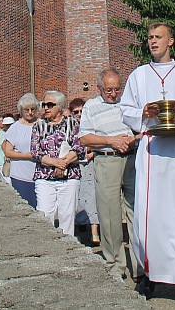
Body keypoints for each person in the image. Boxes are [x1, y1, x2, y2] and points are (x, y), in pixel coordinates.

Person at [119, 20, 175, 307]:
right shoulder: (138, 75)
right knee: (151, 213)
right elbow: (126, 110)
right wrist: (143, 112)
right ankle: (151, 275)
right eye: (150, 37)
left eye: (159, 37)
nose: (153, 41)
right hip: (152, 150)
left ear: (171, 41)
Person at [78, 69, 140, 280]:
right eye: (108, 90)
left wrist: (131, 139)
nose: (113, 94)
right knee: (109, 215)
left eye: (116, 89)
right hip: (106, 160)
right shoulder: (91, 106)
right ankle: (115, 263)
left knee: (136, 212)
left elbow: (142, 130)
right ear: (99, 88)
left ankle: (140, 266)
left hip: (131, 159)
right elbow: (84, 138)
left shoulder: (128, 104)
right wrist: (110, 141)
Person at [30, 90, 86, 236]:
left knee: (67, 215)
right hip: (45, 177)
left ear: (60, 107)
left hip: (69, 178)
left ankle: (67, 245)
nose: (46, 108)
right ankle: (46, 244)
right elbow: (35, 152)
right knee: (44, 214)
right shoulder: (38, 126)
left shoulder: (72, 123)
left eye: (50, 105)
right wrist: (55, 163)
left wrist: (64, 163)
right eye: (44, 105)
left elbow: (79, 148)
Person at [69, 99, 100, 245]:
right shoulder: (69, 128)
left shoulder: (92, 125)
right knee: (76, 199)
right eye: (76, 112)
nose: (79, 115)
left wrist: (92, 154)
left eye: (81, 111)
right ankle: (78, 230)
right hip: (74, 166)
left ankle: (95, 233)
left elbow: (98, 144)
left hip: (90, 165)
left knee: (92, 198)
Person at [3, 93, 39, 207]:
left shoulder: (41, 125)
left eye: (32, 109)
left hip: (40, 175)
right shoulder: (15, 127)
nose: (30, 113)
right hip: (20, 174)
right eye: (26, 110)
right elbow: (8, 151)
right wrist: (26, 156)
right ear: (21, 110)